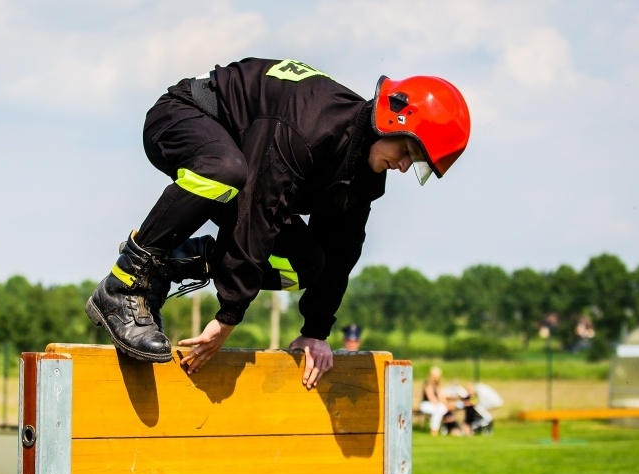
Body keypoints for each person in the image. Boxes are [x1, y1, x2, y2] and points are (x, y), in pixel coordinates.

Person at [85, 58, 471, 390]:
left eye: (414, 163)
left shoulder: (362, 174)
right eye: (406, 151)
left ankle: (177, 263)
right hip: (185, 117)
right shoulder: (310, 128)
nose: (403, 166)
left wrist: (316, 331)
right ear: (389, 119)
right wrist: (228, 316)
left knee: (307, 265)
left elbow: (342, 249)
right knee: (226, 170)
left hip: (244, 172)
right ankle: (123, 284)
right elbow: (258, 213)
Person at [419, 366, 451, 436]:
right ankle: (434, 431)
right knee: (439, 410)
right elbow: (431, 397)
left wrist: (446, 404)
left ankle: (435, 430)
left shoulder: (438, 385)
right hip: (426, 404)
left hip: (435, 405)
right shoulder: (427, 384)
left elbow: (441, 397)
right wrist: (439, 404)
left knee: (441, 409)